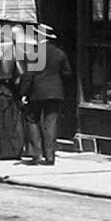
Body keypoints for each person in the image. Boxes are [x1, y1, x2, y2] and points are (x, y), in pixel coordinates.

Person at [17, 23, 71, 165]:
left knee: (32, 120)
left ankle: (37, 154)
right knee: (50, 122)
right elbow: (67, 73)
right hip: (55, 92)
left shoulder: (34, 53)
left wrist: (23, 93)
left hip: (37, 92)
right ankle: (50, 156)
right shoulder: (60, 53)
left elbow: (29, 76)